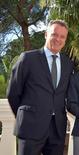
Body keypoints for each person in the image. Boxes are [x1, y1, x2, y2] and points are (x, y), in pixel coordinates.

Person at [7, 20, 73, 155]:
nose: (58, 39)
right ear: (46, 34)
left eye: (62, 37)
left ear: (65, 40)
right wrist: (26, 116)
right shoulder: (27, 59)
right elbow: (13, 93)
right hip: (30, 127)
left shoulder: (68, 64)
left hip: (57, 129)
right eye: (54, 34)